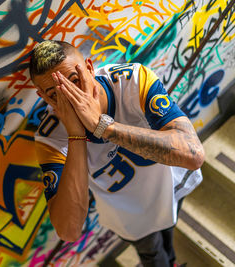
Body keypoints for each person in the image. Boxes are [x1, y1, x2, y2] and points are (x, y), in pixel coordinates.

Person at [29, 40, 204, 267]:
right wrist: (76, 135)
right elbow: (69, 230)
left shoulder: (132, 80)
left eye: (75, 82)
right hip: (129, 213)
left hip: (168, 186)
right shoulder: (50, 138)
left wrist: (103, 127)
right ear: (43, 96)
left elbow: (192, 154)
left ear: (90, 68)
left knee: (169, 228)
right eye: (56, 94)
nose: (72, 99)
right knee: (152, 254)